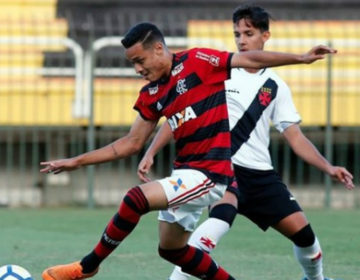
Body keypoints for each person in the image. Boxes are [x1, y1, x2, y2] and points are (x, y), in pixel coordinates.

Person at [40, 21, 336, 280]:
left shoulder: (199, 60)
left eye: (140, 60)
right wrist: (76, 161)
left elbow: (249, 58)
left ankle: (88, 266)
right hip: (185, 172)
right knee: (171, 250)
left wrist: (300, 58)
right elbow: (130, 143)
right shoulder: (151, 93)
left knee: (135, 199)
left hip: (211, 175)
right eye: (132, 63)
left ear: (158, 49)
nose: (138, 69)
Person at [137, 6, 354, 280]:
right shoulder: (218, 72)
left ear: (265, 36)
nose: (241, 40)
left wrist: (328, 167)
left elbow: (295, 136)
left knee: (307, 240)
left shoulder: (276, 86)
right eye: (237, 34)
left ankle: (316, 279)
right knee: (216, 224)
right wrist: (152, 150)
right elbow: (181, 115)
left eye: (248, 33)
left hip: (261, 176)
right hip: (222, 168)